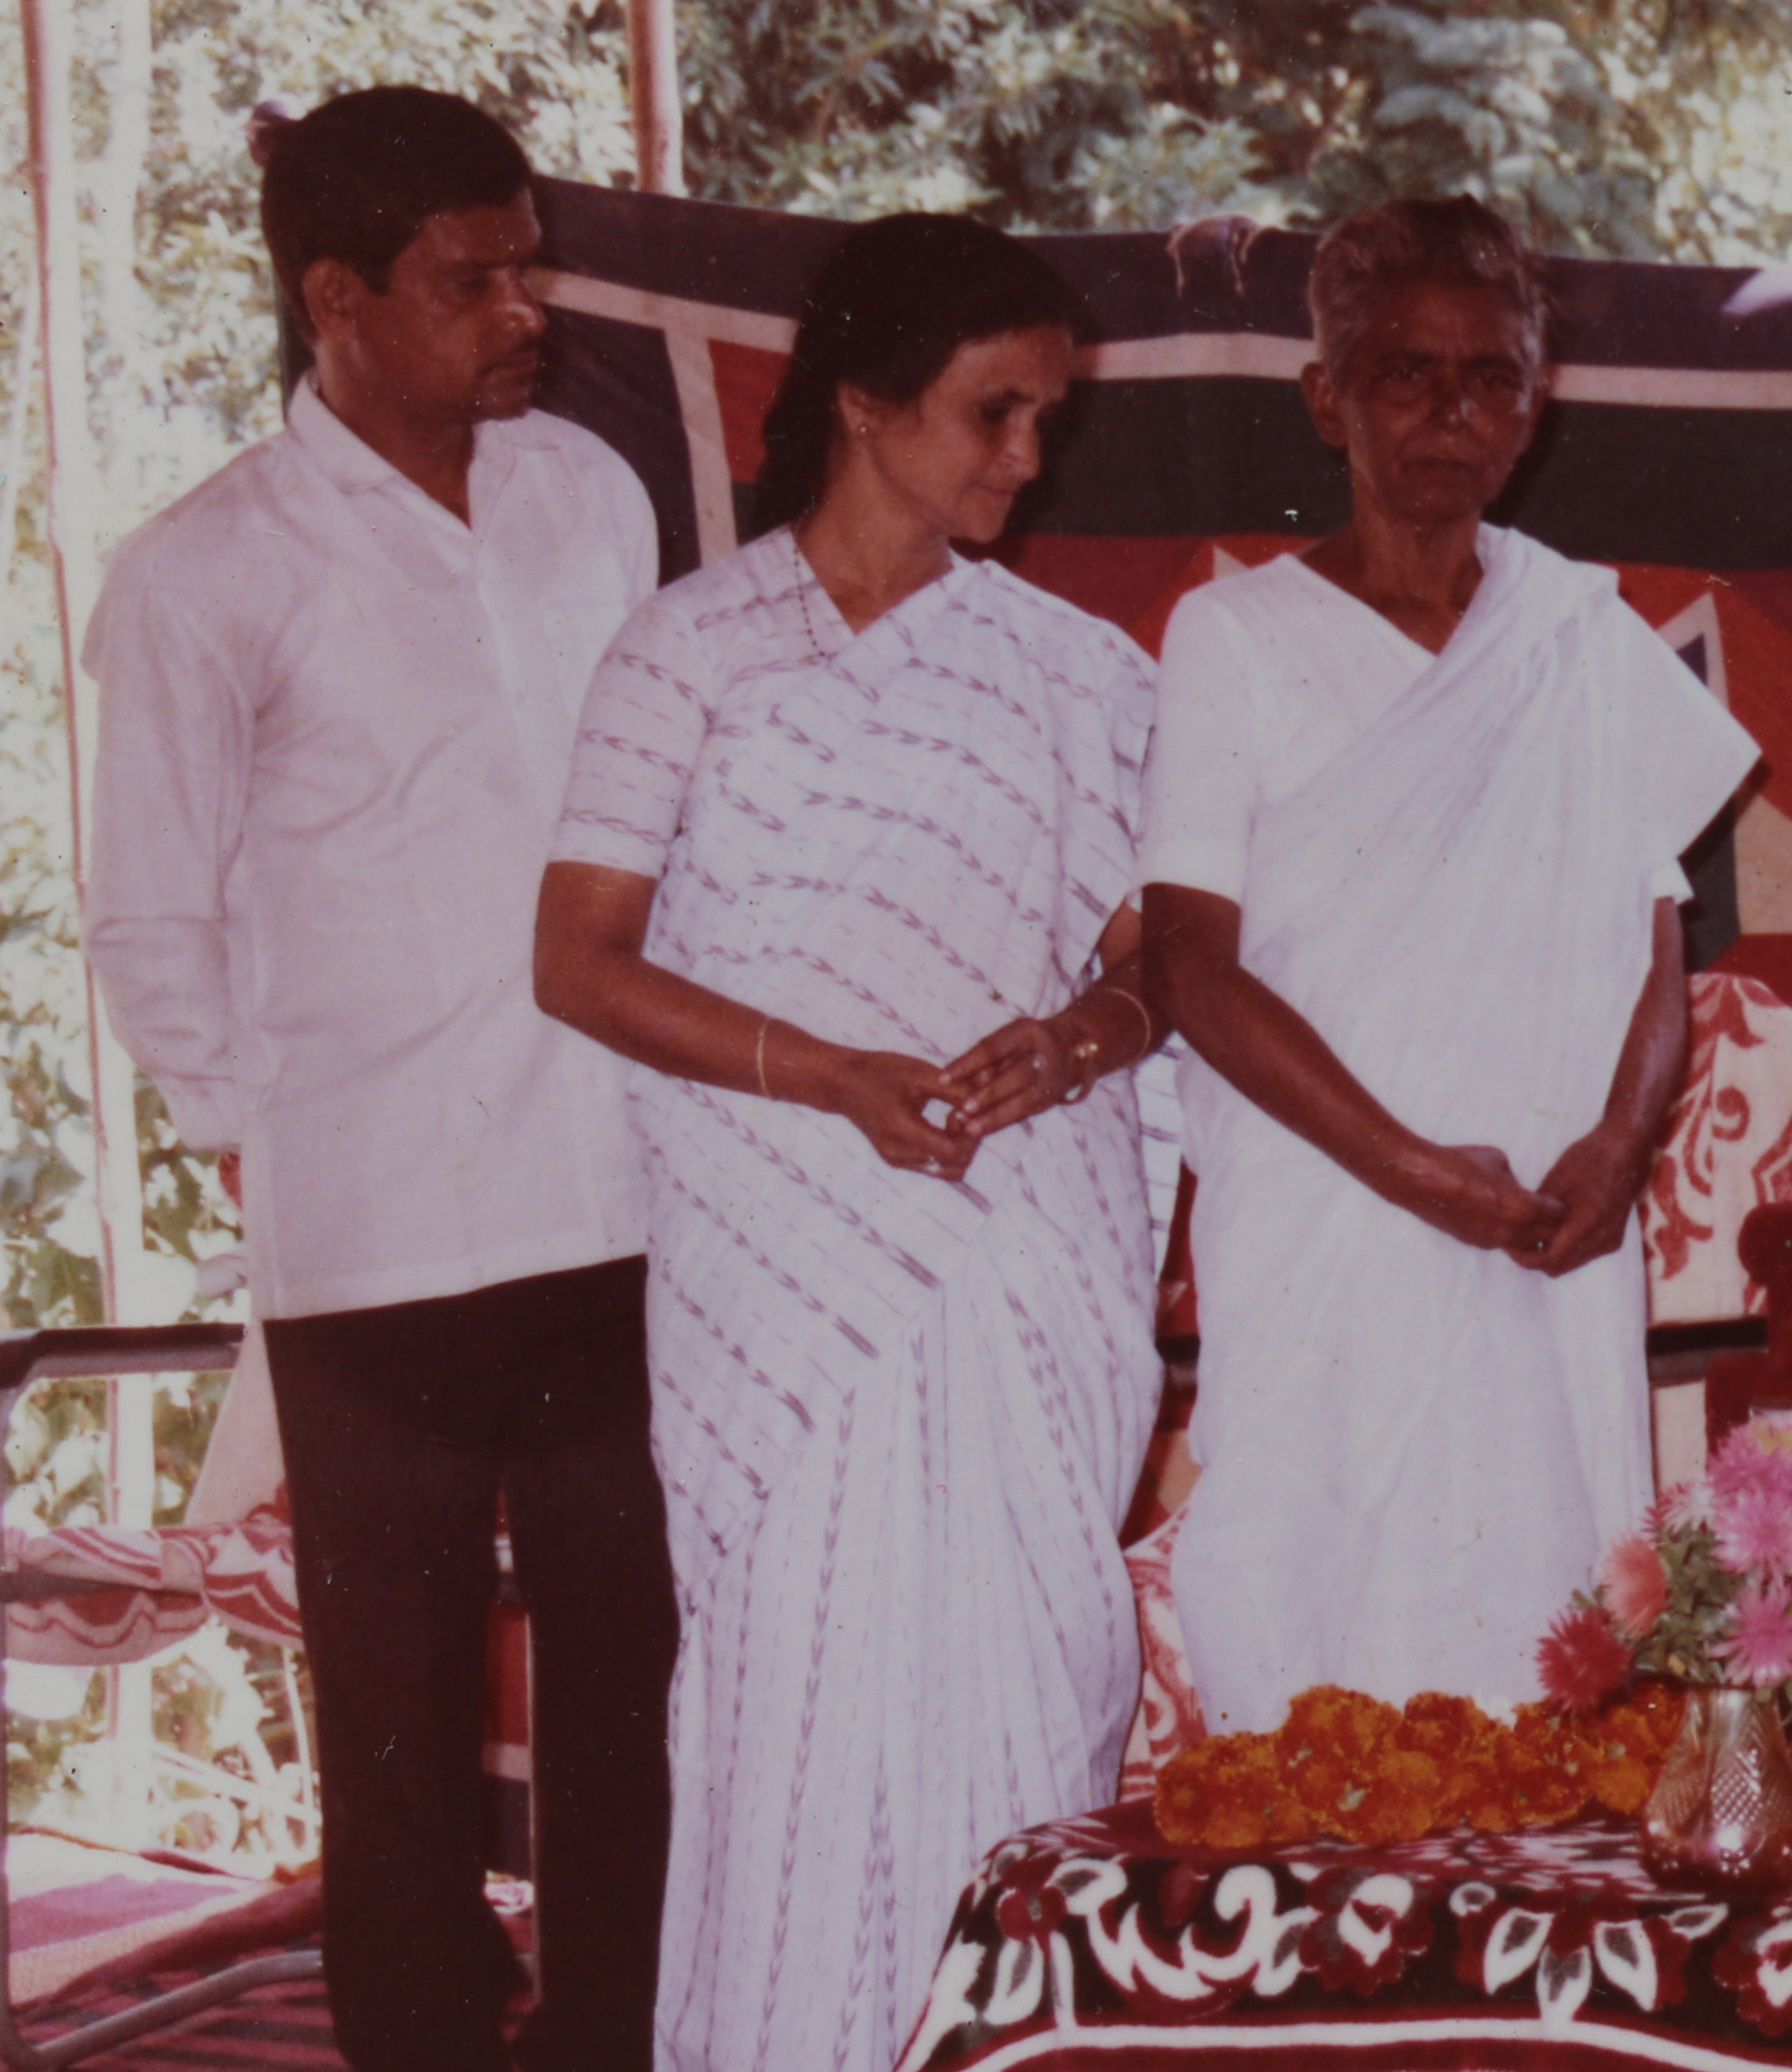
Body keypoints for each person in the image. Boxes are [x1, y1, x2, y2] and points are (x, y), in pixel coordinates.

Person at [83, 87, 675, 2072]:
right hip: (374, 1236)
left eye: (532, 263)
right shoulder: (203, 574)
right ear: (334, 298)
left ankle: (621, 2038)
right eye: (472, 277)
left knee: (634, 1688)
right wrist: (270, 1141)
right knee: (399, 1719)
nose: (526, 308)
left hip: (619, 1198)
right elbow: (149, 924)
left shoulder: (590, 492)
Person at [531, 213, 1163, 2072]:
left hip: (1020, 1253)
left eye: (1045, 417)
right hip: (783, 1268)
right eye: (992, 414)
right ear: (864, 401)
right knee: (797, 1703)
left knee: (1028, 1684)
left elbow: (1155, 955)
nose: (1026, 462)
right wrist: (830, 1076)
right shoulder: (687, 649)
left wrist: (1076, 1041)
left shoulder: (1073, 672)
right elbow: (576, 958)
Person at [1140, 199, 1758, 1730]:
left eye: (1491, 379)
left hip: (1550, 1223)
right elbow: (1189, 968)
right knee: (1319, 1639)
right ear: (1326, 396)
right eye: (1407, 373)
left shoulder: (1576, 634)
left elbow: (1649, 940)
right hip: (1335, 1209)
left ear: (1533, 406)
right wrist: (1411, 1169)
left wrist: (1619, 1151)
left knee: (1542, 1632)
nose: (1451, 413)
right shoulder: (1234, 636)